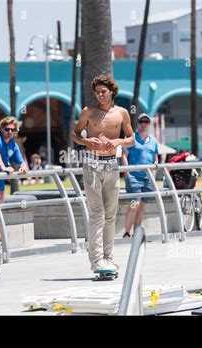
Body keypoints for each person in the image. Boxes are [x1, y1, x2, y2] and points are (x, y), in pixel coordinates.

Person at [71, 74, 134, 273]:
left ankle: (108, 257)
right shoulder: (88, 112)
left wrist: (118, 142)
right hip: (91, 165)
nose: (100, 95)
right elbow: (75, 134)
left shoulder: (122, 113)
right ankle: (97, 261)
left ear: (112, 92)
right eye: (97, 92)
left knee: (111, 214)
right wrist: (87, 141)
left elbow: (132, 139)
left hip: (111, 165)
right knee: (97, 213)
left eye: (103, 91)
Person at [0, 116, 28, 240]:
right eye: (7, 129)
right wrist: (3, 166)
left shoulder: (13, 144)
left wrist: (23, 167)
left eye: (13, 130)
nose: (10, 132)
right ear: (1, 128)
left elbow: (21, 161)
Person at [121, 113, 159, 238]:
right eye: (141, 122)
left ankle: (136, 232)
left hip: (148, 179)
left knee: (142, 206)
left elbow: (155, 159)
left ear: (149, 125)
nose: (143, 124)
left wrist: (153, 176)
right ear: (138, 124)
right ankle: (127, 232)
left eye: (146, 122)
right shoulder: (131, 138)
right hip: (134, 177)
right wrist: (127, 174)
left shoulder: (153, 141)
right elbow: (124, 156)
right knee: (134, 204)